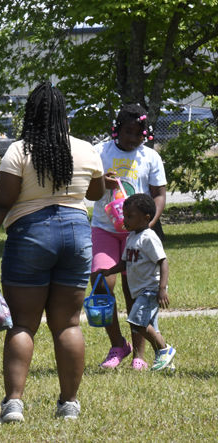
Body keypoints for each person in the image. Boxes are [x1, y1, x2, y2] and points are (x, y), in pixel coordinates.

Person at [0, 83, 105, 422]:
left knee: (23, 324)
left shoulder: (19, 151)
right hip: (77, 235)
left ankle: (14, 404)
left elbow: (1, 202)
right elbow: (95, 192)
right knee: (68, 324)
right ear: (63, 114)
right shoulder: (86, 149)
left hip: (31, 235)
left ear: (30, 114)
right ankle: (69, 404)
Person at [91, 103, 168, 371]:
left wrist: (147, 226)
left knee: (135, 290)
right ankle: (118, 345)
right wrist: (102, 182)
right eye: (128, 132)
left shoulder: (150, 157)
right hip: (104, 228)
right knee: (101, 282)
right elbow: (87, 187)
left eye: (138, 133)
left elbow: (159, 196)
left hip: (137, 234)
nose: (133, 138)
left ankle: (139, 354)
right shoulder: (100, 152)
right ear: (116, 130)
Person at [98, 194, 176, 371]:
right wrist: (109, 271)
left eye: (129, 216)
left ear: (145, 218)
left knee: (137, 322)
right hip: (140, 290)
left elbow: (163, 262)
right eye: (124, 216)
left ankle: (164, 349)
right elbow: (125, 263)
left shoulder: (148, 238)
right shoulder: (132, 237)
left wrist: (162, 289)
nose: (124, 220)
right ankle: (166, 361)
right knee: (150, 326)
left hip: (150, 289)